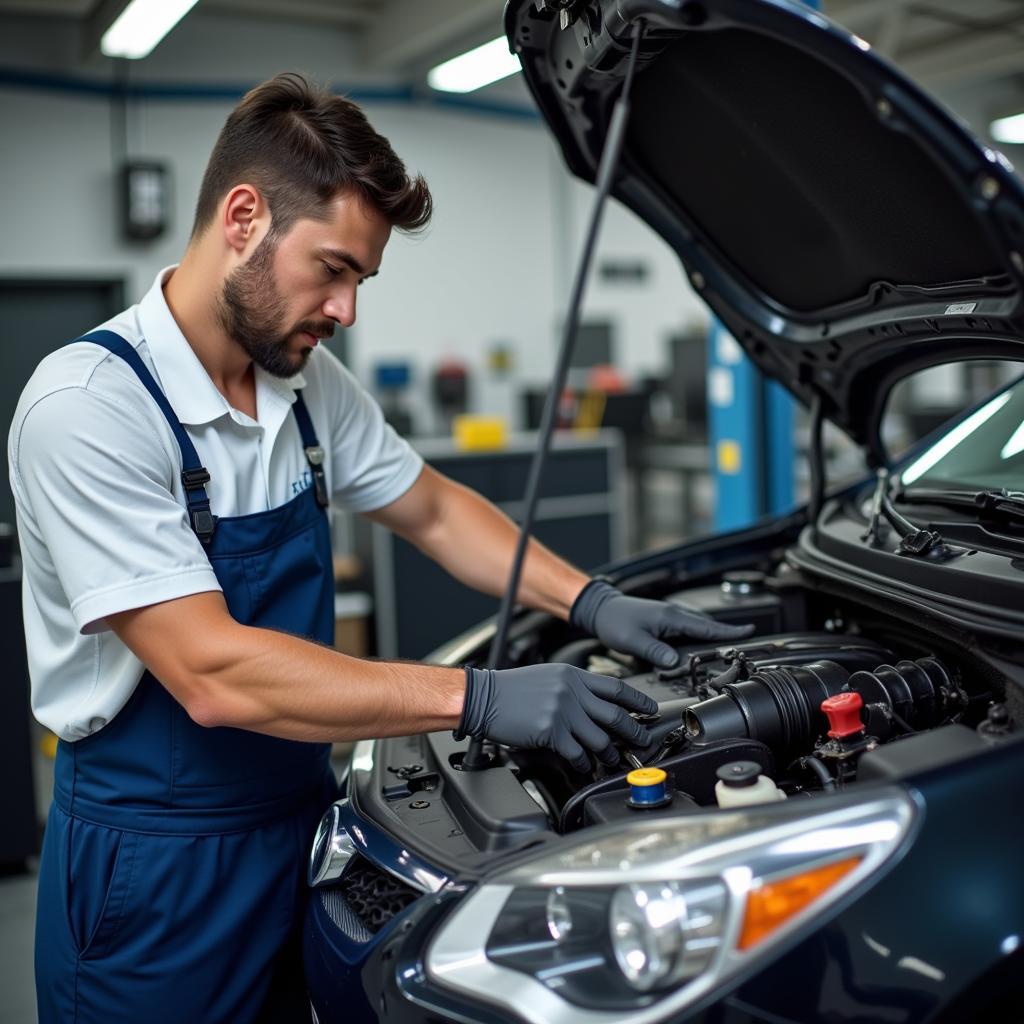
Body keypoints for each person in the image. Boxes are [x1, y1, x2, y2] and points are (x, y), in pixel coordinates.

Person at [8, 73, 751, 1023]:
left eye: (361, 279)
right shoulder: (89, 407)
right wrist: (474, 696)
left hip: (299, 820)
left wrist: (589, 600)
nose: (346, 311)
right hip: (155, 867)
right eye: (332, 268)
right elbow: (211, 673)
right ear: (242, 218)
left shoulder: (304, 387)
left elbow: (434, 510)